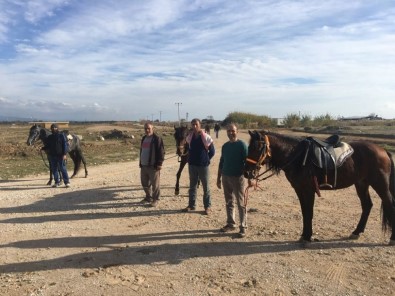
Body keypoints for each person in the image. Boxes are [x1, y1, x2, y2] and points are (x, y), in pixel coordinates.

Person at [217, 123, 248, 237]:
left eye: (233, 131)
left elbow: (248, 162)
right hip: (226, 176)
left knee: (241, 203)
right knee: (229, 201)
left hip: (238, 177)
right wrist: (218, 178)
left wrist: (250, 178)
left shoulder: (242, 145)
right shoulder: (225, 146)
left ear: (237, 131)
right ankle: (231, 224)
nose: (231, 133)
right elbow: (221, 162)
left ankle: (243, 226)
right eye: (229, 131)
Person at [182, 118, 215, 215]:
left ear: (200, 125)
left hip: (203, 166)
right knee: (192, 187)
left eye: (196, 124)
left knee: (206, 187)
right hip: (192, 165)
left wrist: (206, 159)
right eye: (193, 124)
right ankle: (191, 205)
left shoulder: (206, 137)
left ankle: (207, 206)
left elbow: (212, 151)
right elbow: (188, 149)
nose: (194, 126)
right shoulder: (190, 137)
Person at [139, 122, 165, 207]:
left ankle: (155, 199)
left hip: (153, 166)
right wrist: (140, 163)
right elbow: (142, 151)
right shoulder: (144, 138)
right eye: (145, 128)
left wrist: (159, 163)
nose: (147, 130)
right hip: (144, 166)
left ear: (152, 128)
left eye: (148, 128)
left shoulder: (157, 139)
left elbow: (161, 152)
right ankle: (148, 197)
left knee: (155, 185)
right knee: (144, 183)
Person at [41, 123, 70, 188]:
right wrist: (43, 148)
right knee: (54, 170)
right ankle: (57, 182)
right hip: (52, 156)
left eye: (55, 127)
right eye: (52, 128)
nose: (53, 129)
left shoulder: (61, 136)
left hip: (60, 155)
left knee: (63, 168)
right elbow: (48, 146)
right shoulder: (50, 137)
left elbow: (64, 145)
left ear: (57, 128)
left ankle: (67, 182)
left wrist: (64, 154)